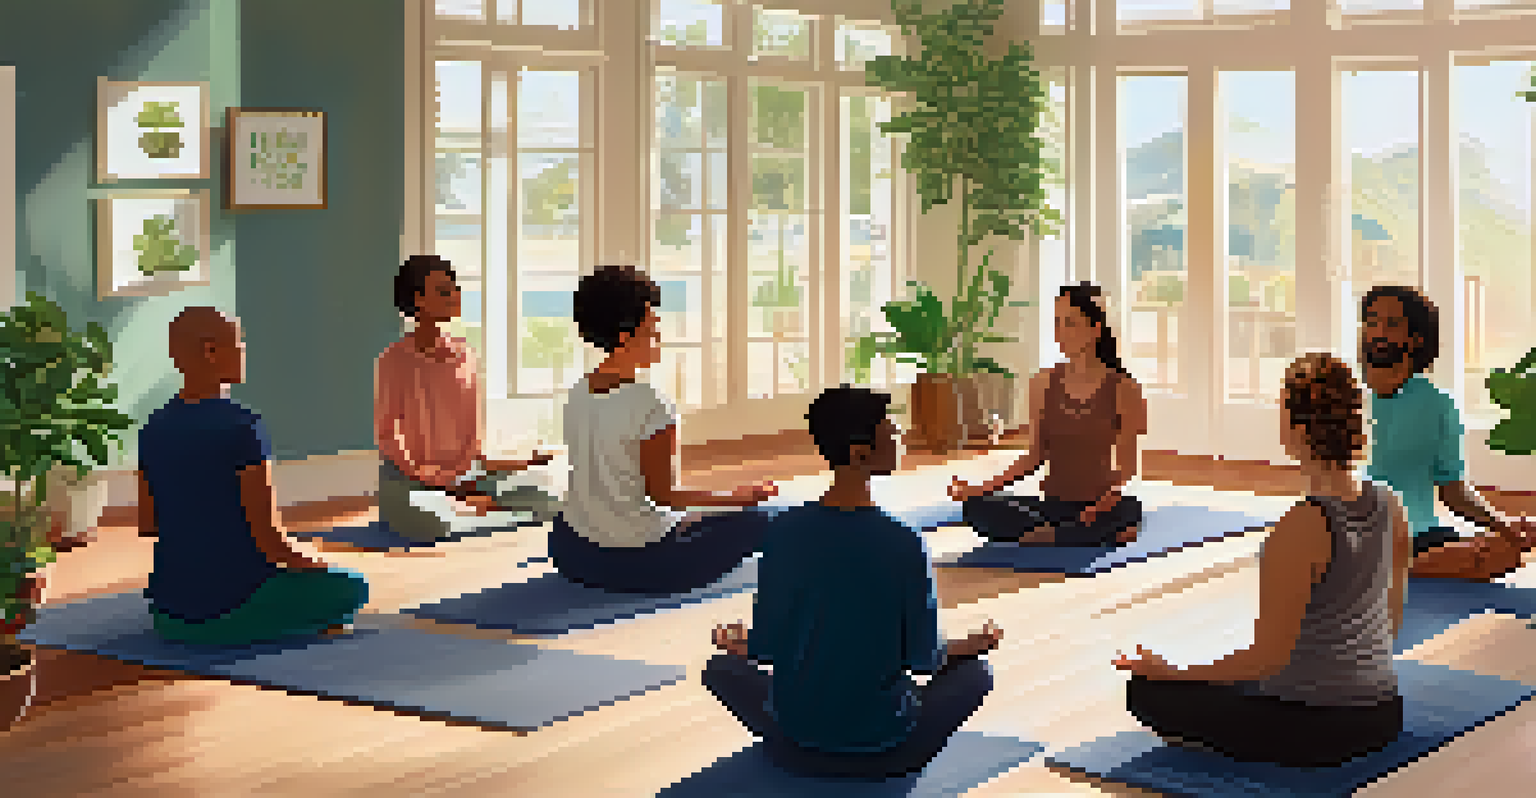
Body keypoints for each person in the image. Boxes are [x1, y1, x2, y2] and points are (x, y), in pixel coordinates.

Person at [1114, 352, 1412, 768]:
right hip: (1384, 714)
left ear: (1294, 429)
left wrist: (1171, 669)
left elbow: (1265, 660)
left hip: (1319, 727)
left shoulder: (1302, 525)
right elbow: (1390, 625)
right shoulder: (1390, 504)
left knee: (1146, 691)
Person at [702, 386, 1003, 778]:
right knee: (978, 675)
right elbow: (924, 659)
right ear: (860, 452)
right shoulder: (903, 541)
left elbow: (766, 650)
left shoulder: (784, 531)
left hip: (796, 734)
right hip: (886, 745)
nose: (900, 437)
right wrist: (970, 646)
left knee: (719, 668)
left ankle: (804, 746)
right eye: (892, 430)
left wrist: (740, 644)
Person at [138, 307, 369, 646]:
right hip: (229, 610)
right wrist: (315, 561)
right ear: (211, 351)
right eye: (239, 343)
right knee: (352, 585)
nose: (244, 351)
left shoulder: (152, 428)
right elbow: (270, 540)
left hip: (169, 616)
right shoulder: (244, 426)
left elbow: (149, 523)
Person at [552, 264, 777, 594]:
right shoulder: (650, 402)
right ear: (627, 335)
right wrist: (738, 496)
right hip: (646, 563)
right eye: (653, 328)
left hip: (574, 553)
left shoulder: (578, 391)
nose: (659, 338)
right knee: (766, 520)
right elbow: (665, 496)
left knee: (695, 517)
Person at [1355, 286, 1535, 580]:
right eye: (1372, 322)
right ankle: (1382, 567)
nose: (1378, 332)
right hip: (1355, 533)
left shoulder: (1439, 404)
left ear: (1416, 338)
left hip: (1417, 535)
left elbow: (1453, 490)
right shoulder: (1346, 396)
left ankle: (1390, 570)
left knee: (1504, 552)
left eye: (1391, 324)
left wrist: (1503, 525)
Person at [375, 255, 556, 544]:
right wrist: (430, 477)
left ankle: (472, 508)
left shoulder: (466, 355)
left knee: (549, 499)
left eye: (455, 289)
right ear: (418, 300)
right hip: (411, 479)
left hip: (466, 476)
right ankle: (475, 510)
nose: (455, 297)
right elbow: (388, 435)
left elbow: (473, 438)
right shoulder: (393, 360)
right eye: (444, 291)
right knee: (431, 523)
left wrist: (512, 464)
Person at [949, 282, 1147, 546]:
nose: (1060, 333)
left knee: (1128, 508)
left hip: (1102, 504)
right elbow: (1034, 456)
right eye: (1056, 322)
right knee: (977, 508)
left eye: (1070, 323)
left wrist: (1104, 503)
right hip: (1053, 506)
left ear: (1094, 329)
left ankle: (1057, 534)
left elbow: (1127, 470)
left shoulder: (1124, 389)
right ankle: (1069, 535)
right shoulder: (1042, 382)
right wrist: (979, 488)